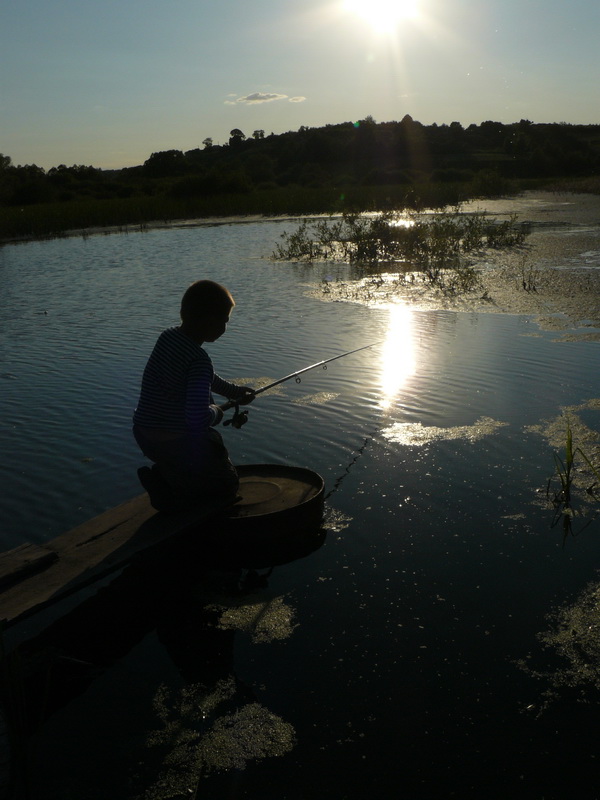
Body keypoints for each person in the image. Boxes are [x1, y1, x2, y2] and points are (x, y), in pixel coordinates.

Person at [133, 280, 255, 512]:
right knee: (227, 485)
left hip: (144, 435)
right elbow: (197, 419)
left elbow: (205, 377)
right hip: (174, 443)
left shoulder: (168, 338)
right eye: (225, 321)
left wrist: (235, 392)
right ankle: (171, 490)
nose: (225, 327)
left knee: (195, 454)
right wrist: (218, 411)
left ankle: (166, 474)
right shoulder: (198, 360)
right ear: (211, 322)